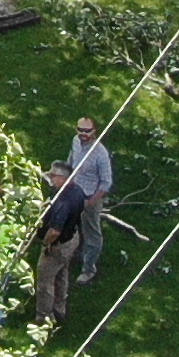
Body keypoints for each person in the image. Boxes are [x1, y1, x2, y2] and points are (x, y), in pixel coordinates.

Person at [30, 169, 86, 327]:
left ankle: (44, 317)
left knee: (45, 282)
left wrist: (45, 243)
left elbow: (55, 231)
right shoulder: (77, 191)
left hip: (57, 246)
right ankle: (59, 309)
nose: (51, 179)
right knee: (61, 274)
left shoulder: (63, 202)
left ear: (63, 178)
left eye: (54, 176)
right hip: (72, 240)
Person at [62, 115, 113, 282]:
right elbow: (71, 160)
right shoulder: (76, 141)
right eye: (80, 130)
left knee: (92, 235)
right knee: (72, 226)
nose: (83, 133)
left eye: (87, 130)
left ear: (94, 131)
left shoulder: (100, 153)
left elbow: (106, 183)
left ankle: (89, 270)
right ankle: (75, 253)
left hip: (91, 198)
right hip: (74, 193)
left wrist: (90, 202)